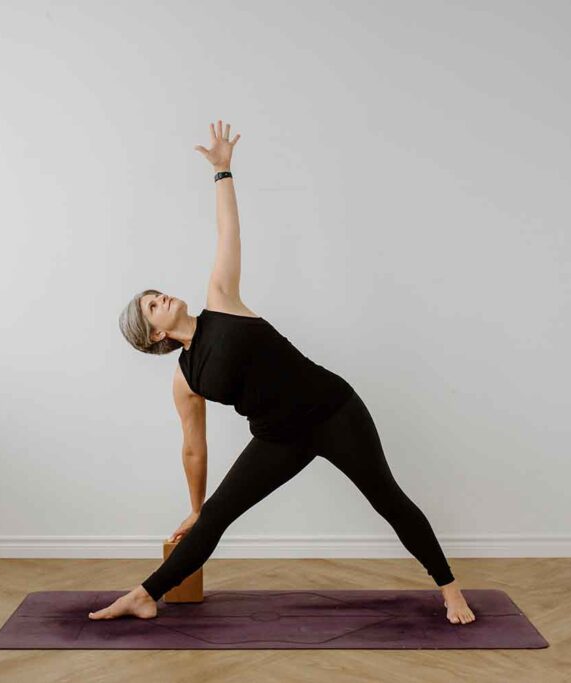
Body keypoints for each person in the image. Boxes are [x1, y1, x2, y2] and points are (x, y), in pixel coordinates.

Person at [95, 120, 475, 625]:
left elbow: (228, 232)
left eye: (155, 293)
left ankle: (449, 589)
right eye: (151, 307)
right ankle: (145, 594)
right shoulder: (185, 380)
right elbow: (193, 446)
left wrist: (223, 171)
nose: (159, 297)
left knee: (388, 499)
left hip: (335, 410)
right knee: (214, 520)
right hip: (279, 437)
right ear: (155, 337)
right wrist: (195, 507)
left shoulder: (221, 300)